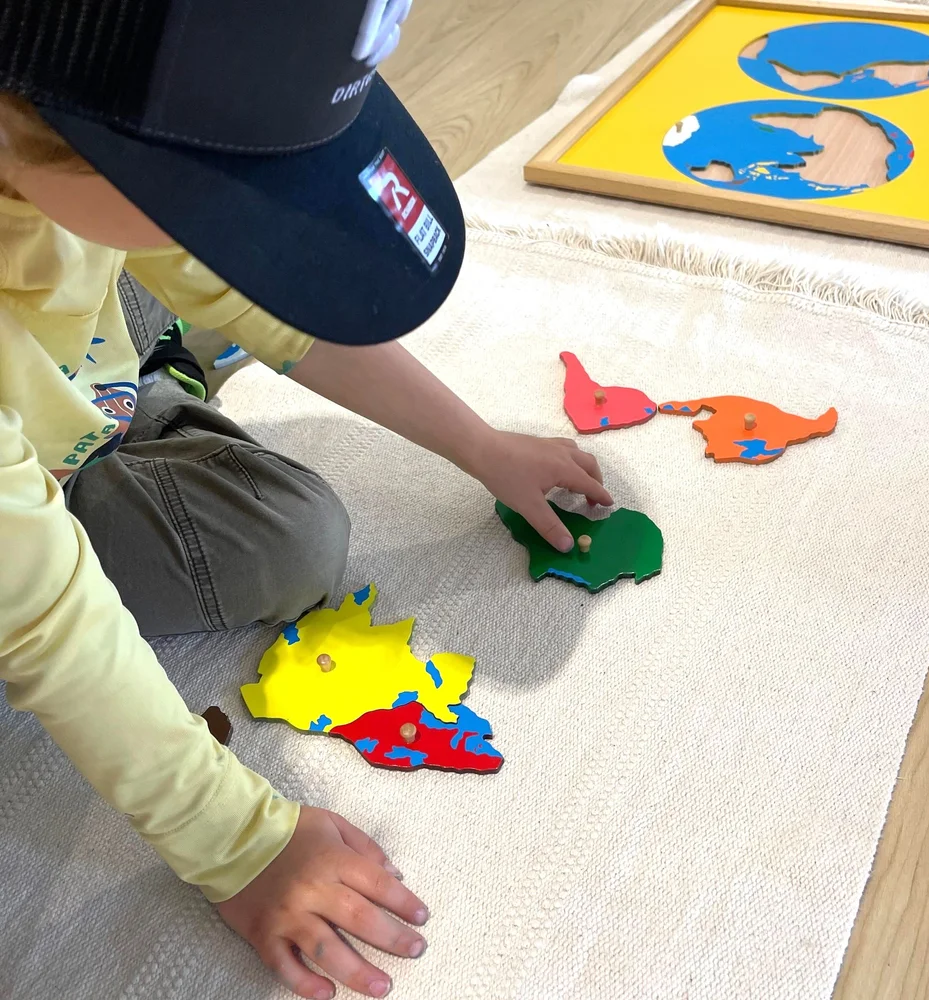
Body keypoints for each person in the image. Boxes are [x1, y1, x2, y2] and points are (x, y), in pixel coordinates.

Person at [0, 2, 611, 998]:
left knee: (179, 301)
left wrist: (479, 443)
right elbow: (44, 621)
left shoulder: (66, 136)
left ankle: (137, 374)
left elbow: (258, 299)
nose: (257, 221)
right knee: (279, 541)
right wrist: (238, 844)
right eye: (224, 193)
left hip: (71, 366)